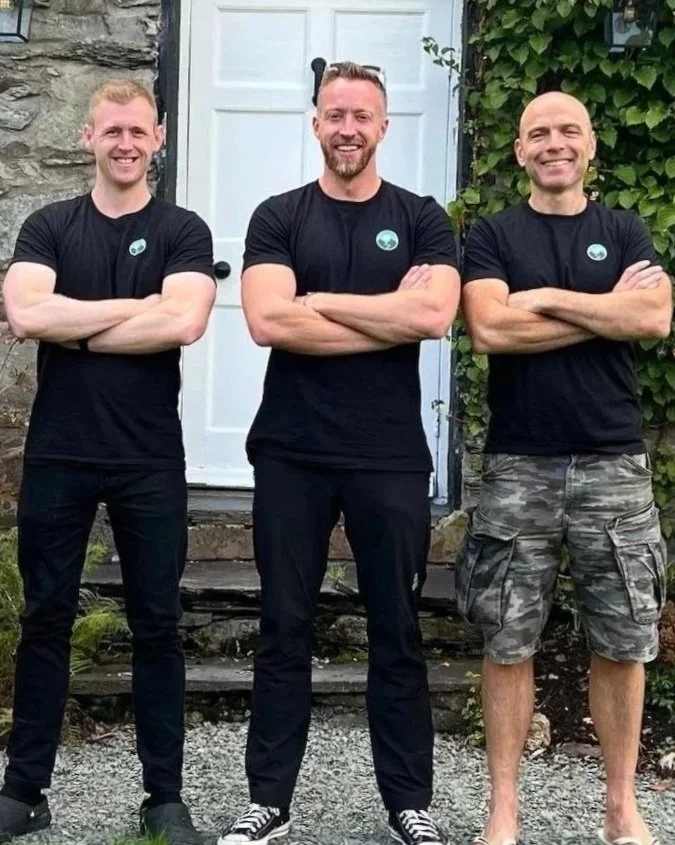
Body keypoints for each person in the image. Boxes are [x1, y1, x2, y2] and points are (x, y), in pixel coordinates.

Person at [219, 62, 460, 845]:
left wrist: (317, 300)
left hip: (388, 453)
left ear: (383, 126)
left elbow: (432, 315)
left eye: (361, 115)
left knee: (396, 626)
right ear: (315, 124)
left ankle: (408, 804)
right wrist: (381, 312)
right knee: (284, 625)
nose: (347, 128)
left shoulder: (422, 218)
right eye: (334, 114)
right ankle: (269, 801)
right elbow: (267, 322)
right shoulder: (279, 216)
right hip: (291, 451)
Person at [0, 79, 216, 845]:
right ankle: (24, 789)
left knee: (158, 623)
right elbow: (24, 311)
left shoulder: (183, 230)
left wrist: (75, 325)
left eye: (138, 131)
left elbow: (185, 319)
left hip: (148, 457)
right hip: (60, 450)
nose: (126, 143)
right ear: (88, 137)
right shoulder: (50, 225)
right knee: (45, 618)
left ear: (157, 139)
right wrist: (136, 310)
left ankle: (163, 797)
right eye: (112, 131)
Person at [459, 90, 671, 845]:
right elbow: (488, 326)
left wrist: (544, 298)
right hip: (520, 461)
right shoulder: (490, 234)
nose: (553, 143)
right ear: (519, 150)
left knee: (621, 639)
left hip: (613, 462)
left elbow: (650, 317)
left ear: (588, 146)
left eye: (568, 131)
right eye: (538, 133)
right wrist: (597, 310)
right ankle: (504, 812)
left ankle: (620, 807)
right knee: (507, 637)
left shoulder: (621, 227)